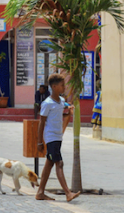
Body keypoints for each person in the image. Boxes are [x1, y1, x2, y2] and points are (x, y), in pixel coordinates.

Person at [35, 73, 80, 202]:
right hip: (51, 138)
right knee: (59, 163)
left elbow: (61, 117)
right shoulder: (47, 103)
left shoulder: (61, 102)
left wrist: (69, 113)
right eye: (62, 85)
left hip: (58, 136)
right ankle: (68, 193)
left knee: (49, 164)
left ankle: (40, 192)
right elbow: (41, 123)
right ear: (54, 87)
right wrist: (39, 142)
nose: (64, 87)